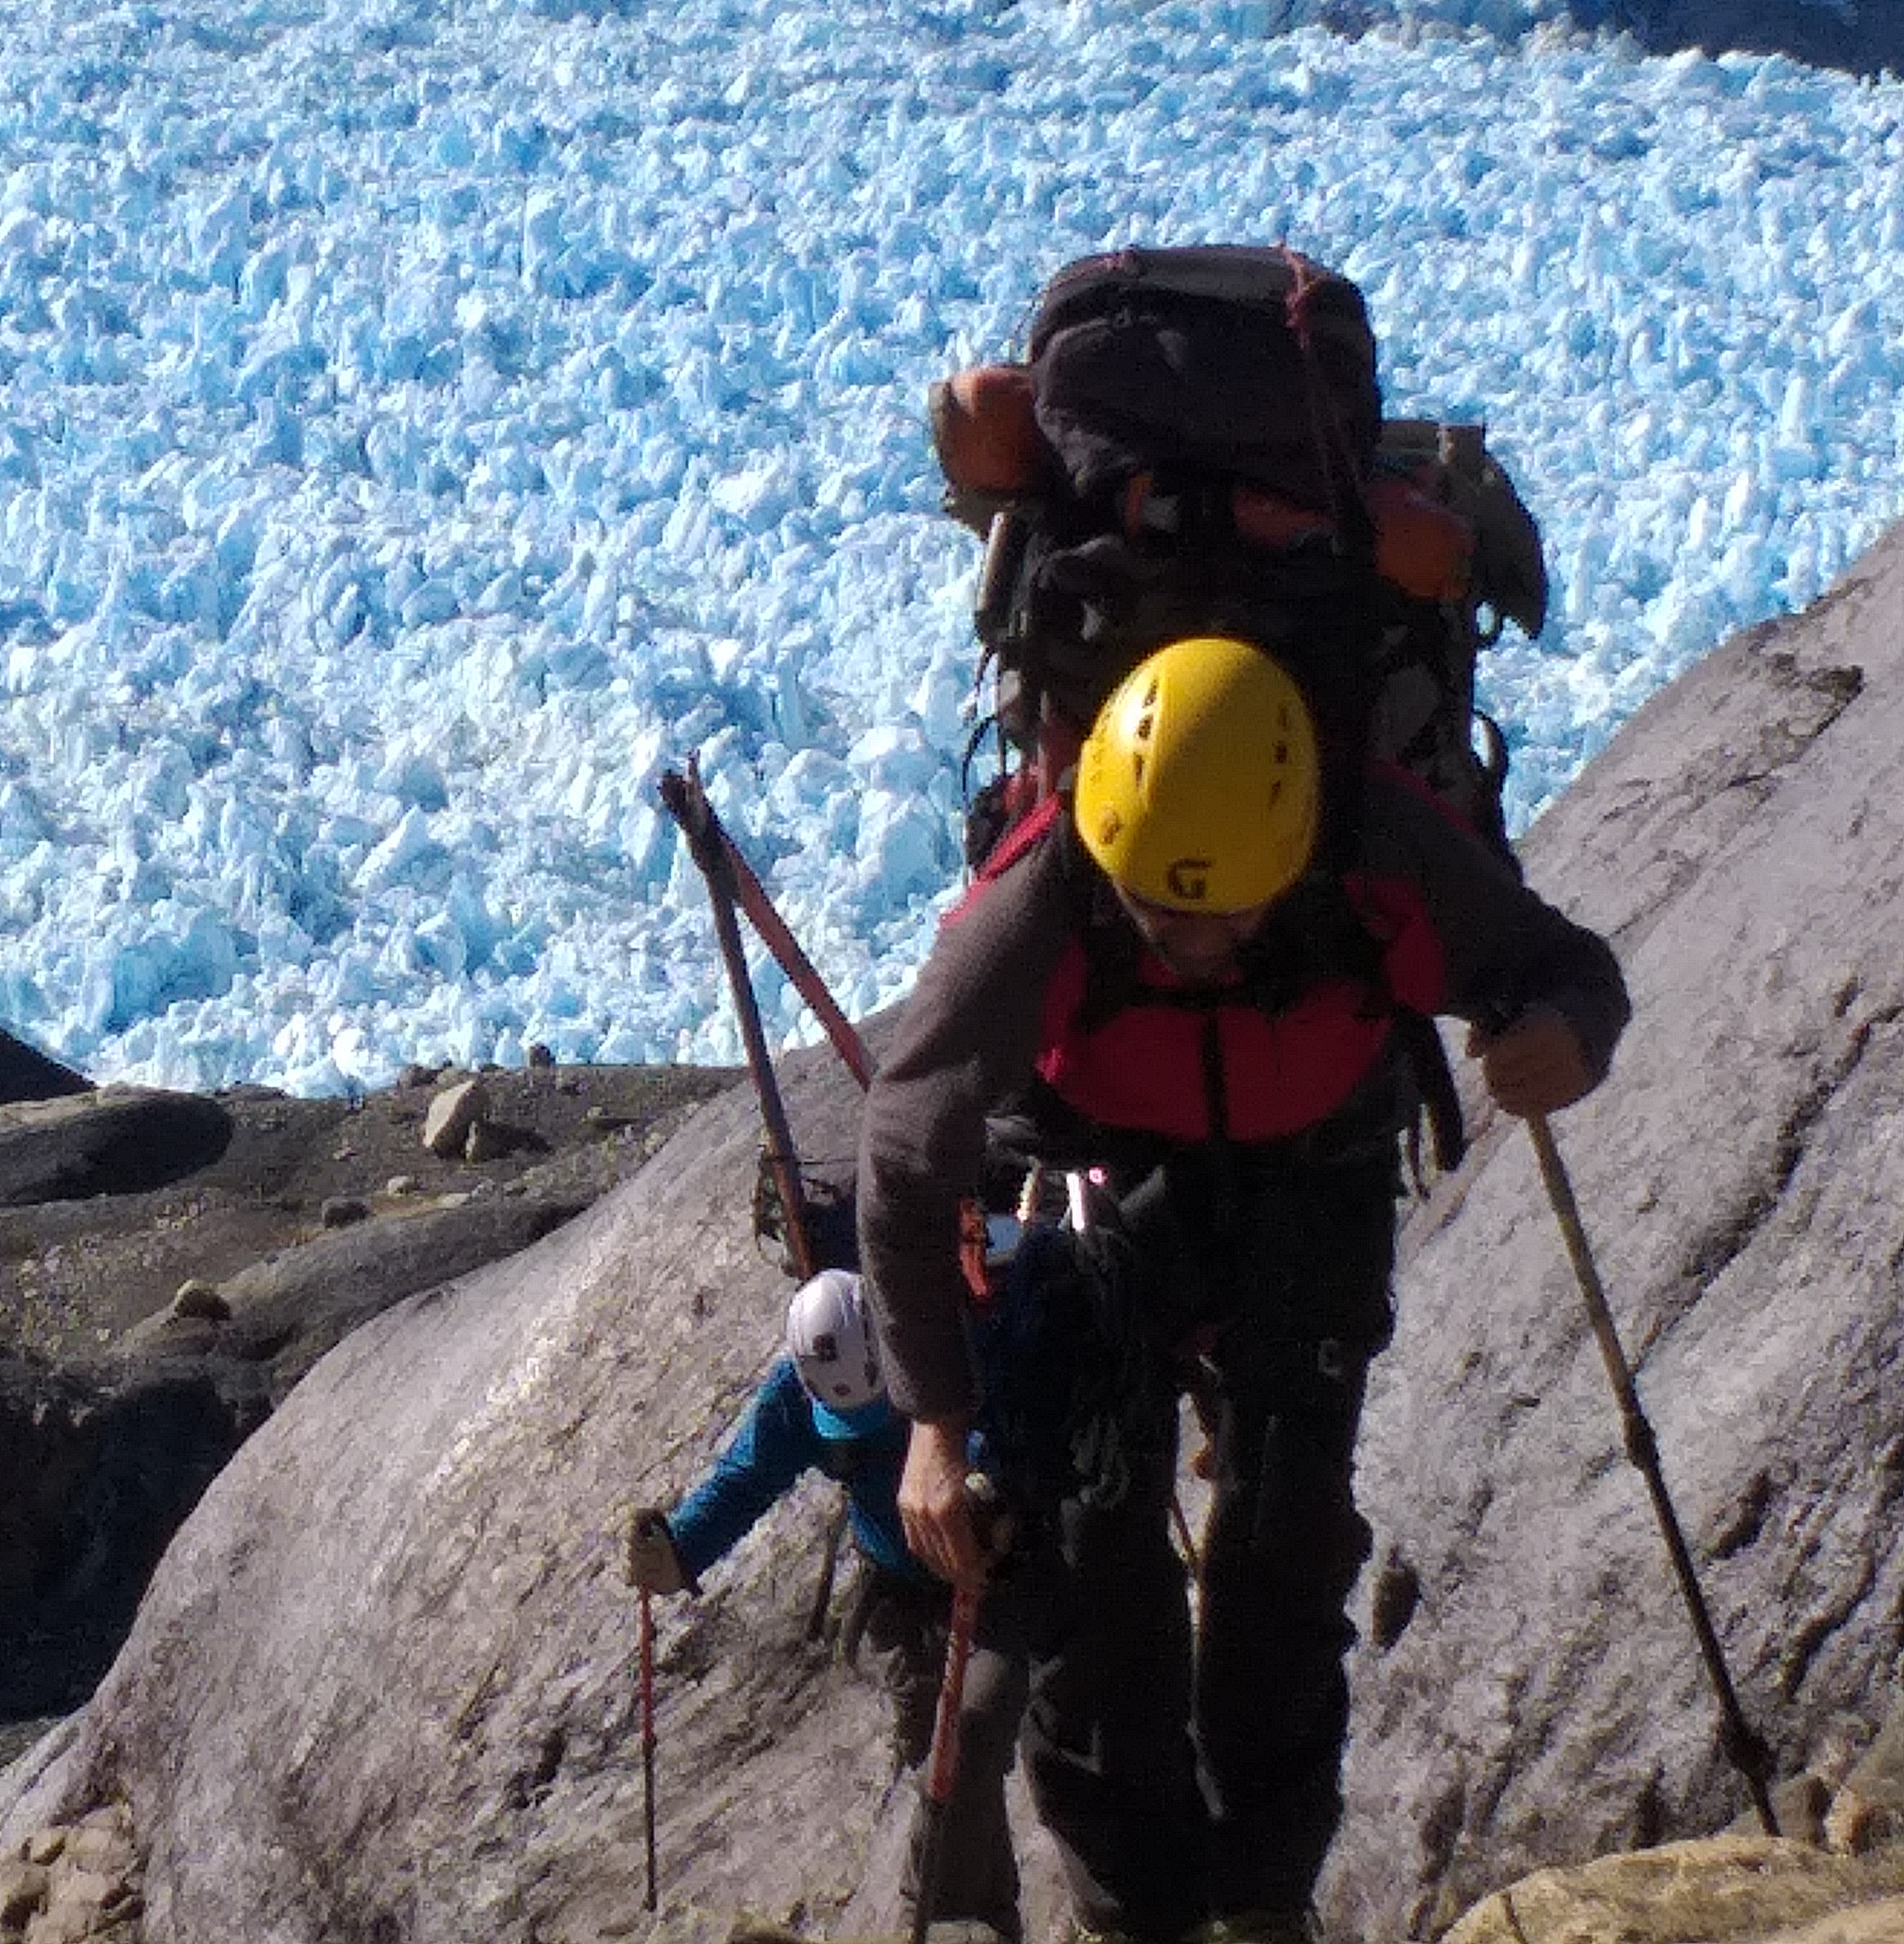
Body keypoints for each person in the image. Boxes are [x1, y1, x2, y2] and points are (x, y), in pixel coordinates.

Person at [858, 635, 1630, 1944]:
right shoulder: (1055, 883)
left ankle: (1264, 1901)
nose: (1190, 938)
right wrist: (934, 1419)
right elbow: (901, 1144)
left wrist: (1567, 1034)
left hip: (1308, 1176)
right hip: (1096, 1186)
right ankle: (1135, 1913)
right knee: (1093, 1579)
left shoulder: (1373, 842)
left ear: (1290, 854)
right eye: (1157, 906)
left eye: (1223, 909)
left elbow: (1565, 967)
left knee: (1281, 1547)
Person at [618, 1266, 1036, 1944]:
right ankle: (992, 1923)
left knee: (968, 1738)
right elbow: (746, 1479)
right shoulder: (794, 1394)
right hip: (902, 1597)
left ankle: (929, 1921)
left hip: (997, 1582)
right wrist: (681, 1552)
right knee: (946, 1768)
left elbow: (1022, 1427)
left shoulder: (954, 1346)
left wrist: (999, 1493)